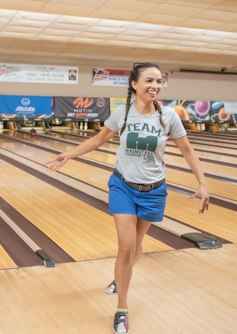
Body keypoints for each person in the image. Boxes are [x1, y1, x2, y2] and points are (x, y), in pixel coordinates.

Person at [45, 62, 209, 334]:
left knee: (136, 247)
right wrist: (68, 155)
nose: (154, 85)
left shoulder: (169, 116)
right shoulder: (121, 114)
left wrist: (203, 183)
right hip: (122, 186)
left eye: (158, 81)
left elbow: (188, 150)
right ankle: (122, 309)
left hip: (154, 191)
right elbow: (98, 140)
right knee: (126, 247)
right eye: (148, 80)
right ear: (134, 84)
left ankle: (118, 277)